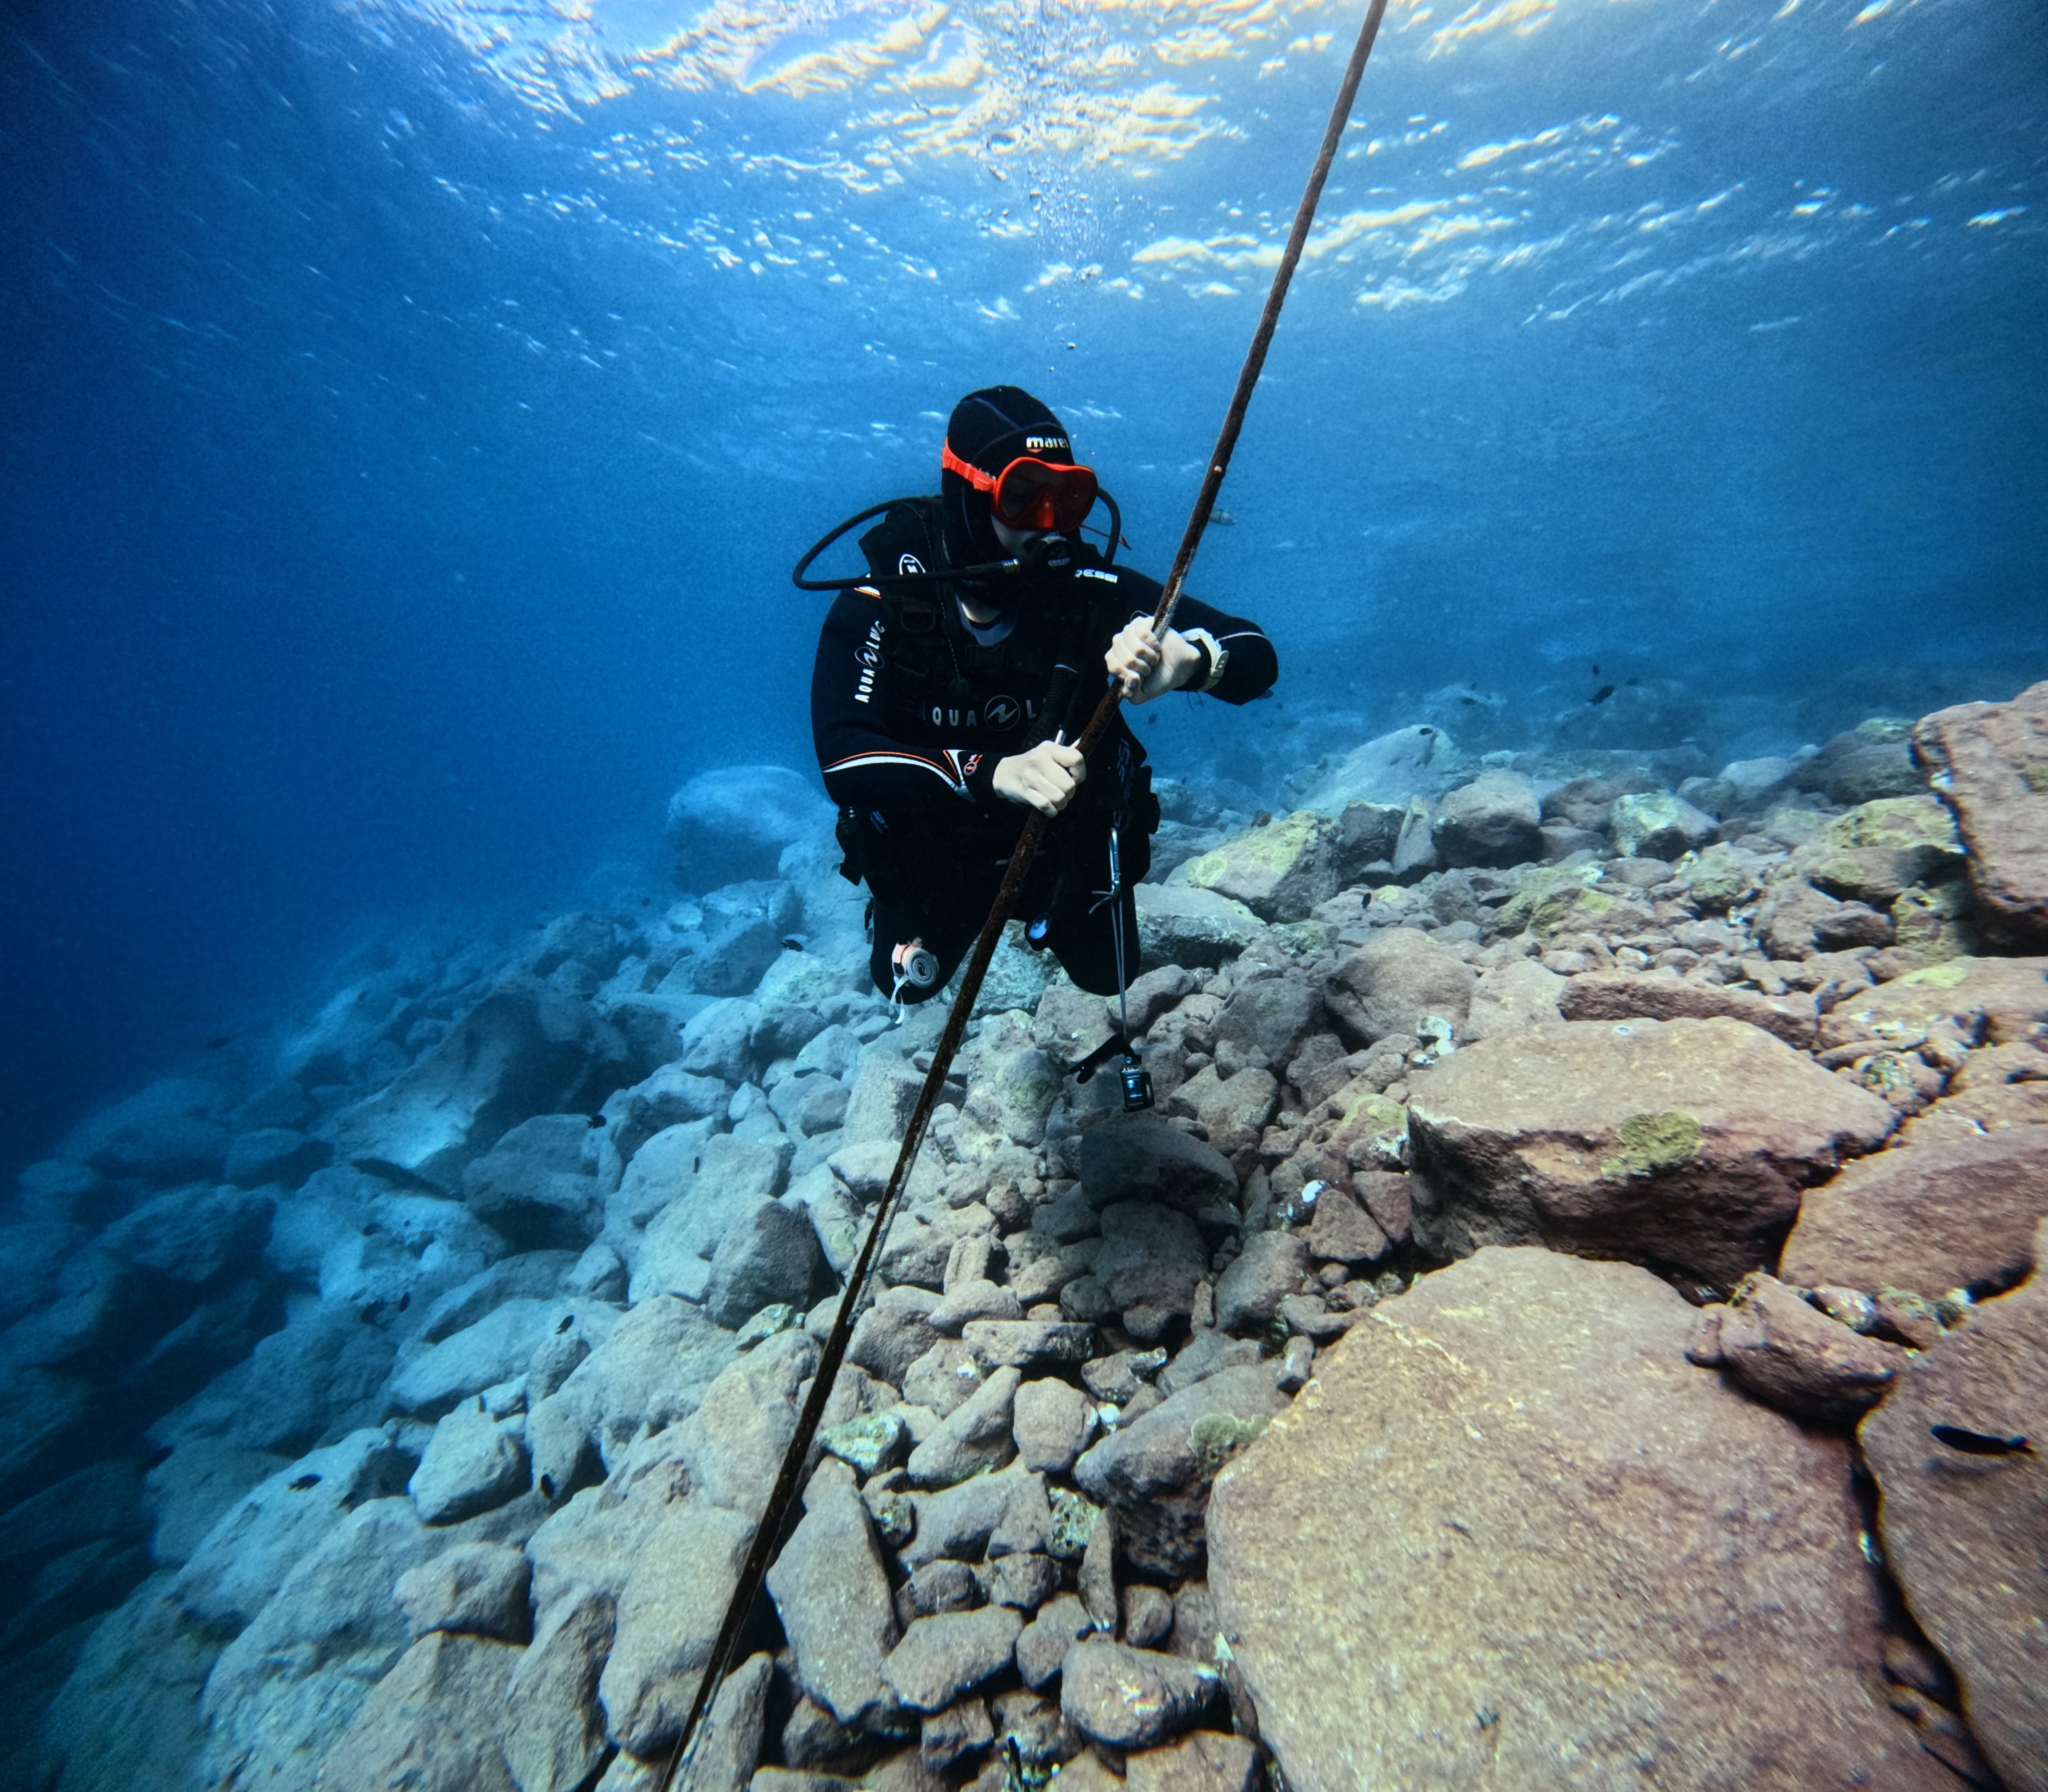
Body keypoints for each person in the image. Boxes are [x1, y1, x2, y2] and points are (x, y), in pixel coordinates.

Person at [809, 385, 1277, 1010]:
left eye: (1068, 499)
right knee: (903, 987)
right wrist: (994, 773)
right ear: (970, 496)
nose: (1050, 525)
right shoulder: (890, 596)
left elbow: (1256, 653)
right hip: (939, 845)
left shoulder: (1087, 589)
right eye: (1023, 498)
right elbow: (843, 752)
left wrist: (1189, 661)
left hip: (1060, 841)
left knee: (1110, 975)